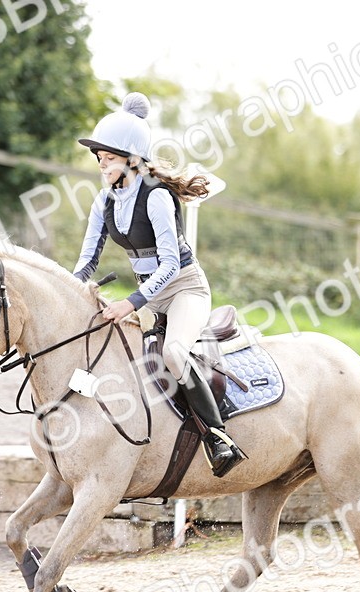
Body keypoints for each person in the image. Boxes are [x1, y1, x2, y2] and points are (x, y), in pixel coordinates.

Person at [72, 92, 246, 478]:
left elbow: (169, 266)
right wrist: (65, 293)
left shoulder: (157, 198)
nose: (102, 166)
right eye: (99, 159)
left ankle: (219, 438)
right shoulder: (104, 201)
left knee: (173, 354)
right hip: (150, 296)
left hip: (184, 289)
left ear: (133, 159)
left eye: (109, 159)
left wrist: (131, 303)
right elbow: (86, 262)